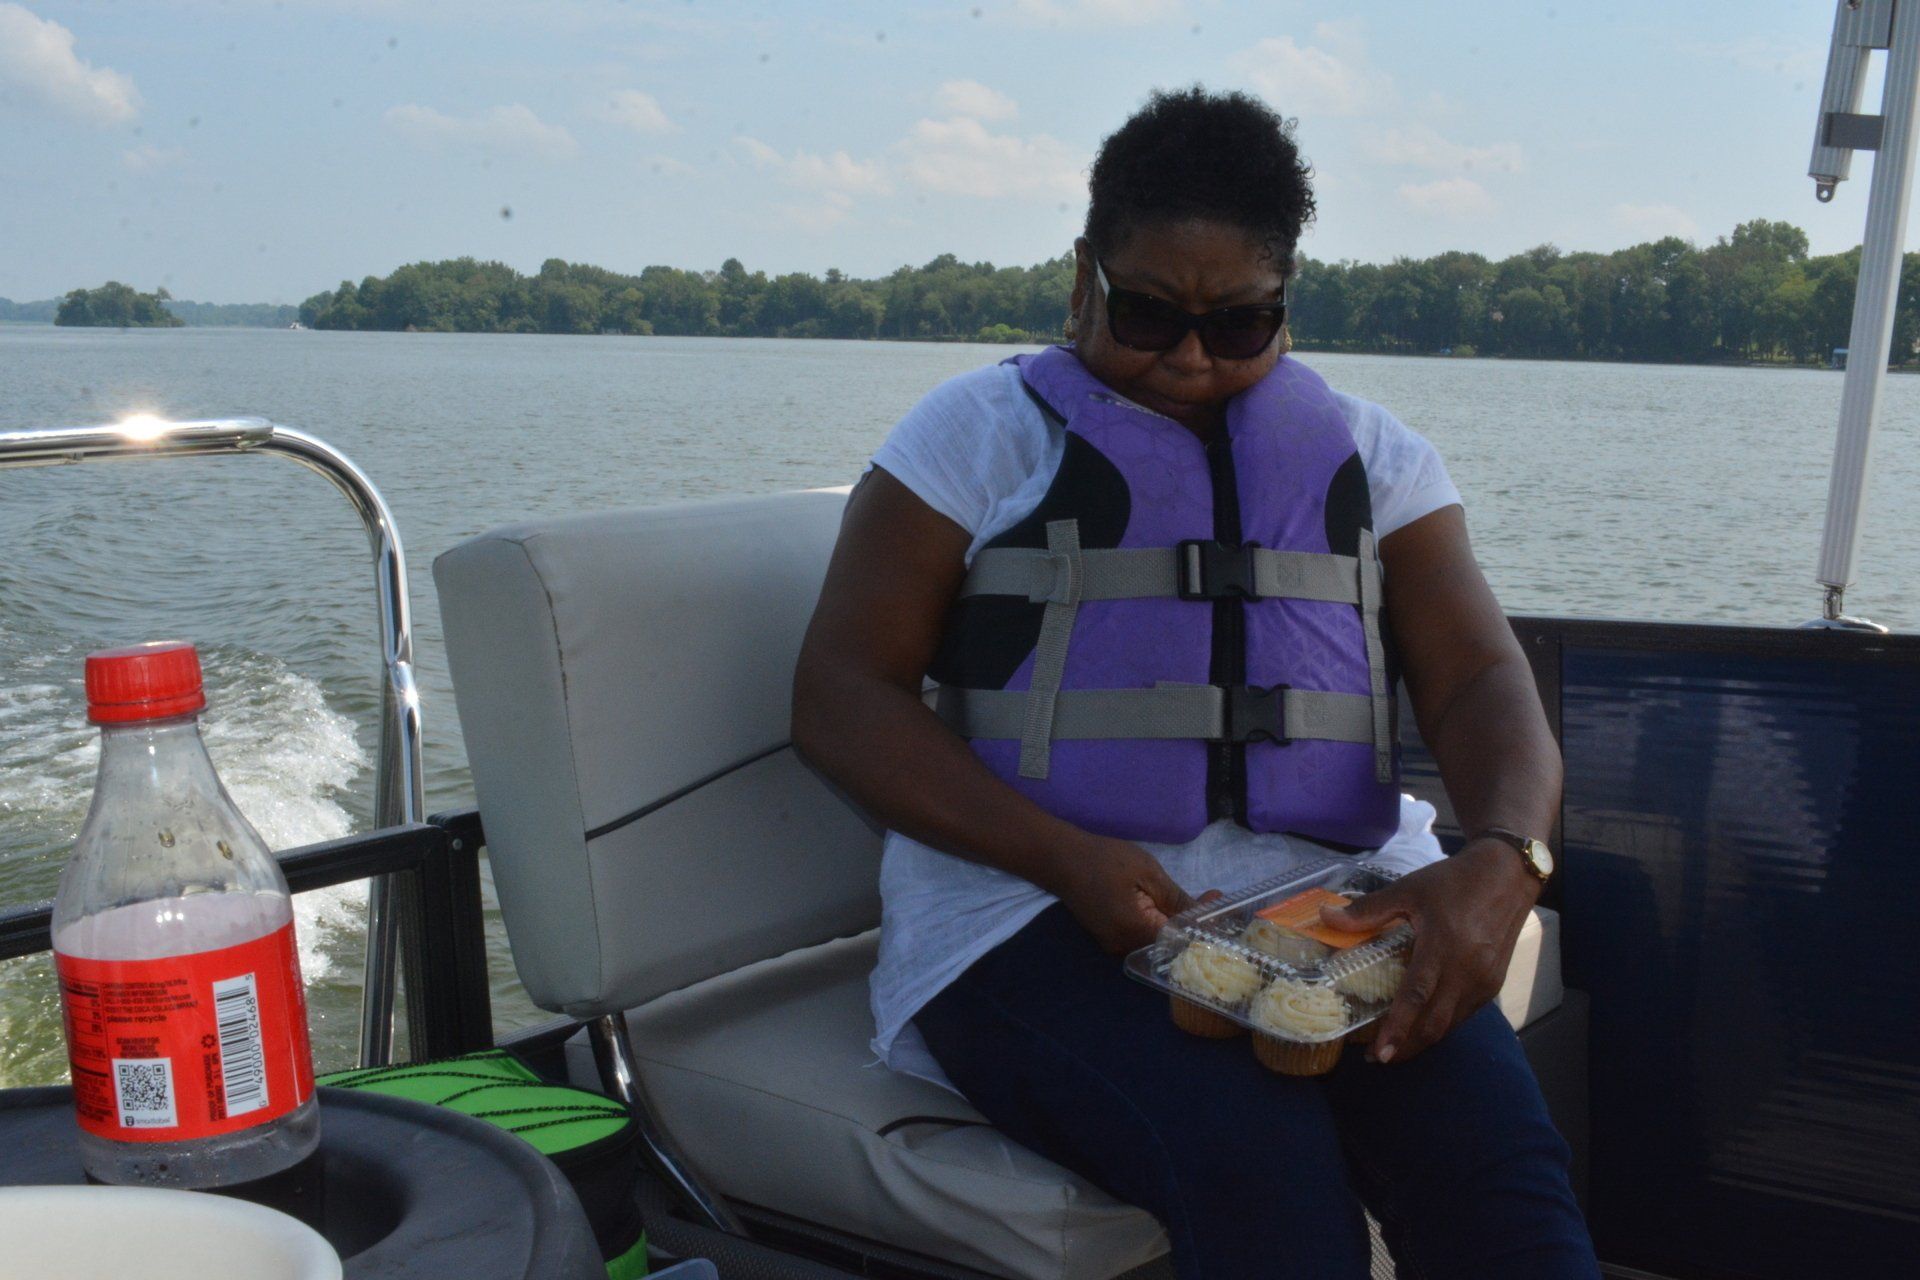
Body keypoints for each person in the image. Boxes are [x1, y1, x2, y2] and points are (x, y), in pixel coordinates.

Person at [792, 87, 1597, 1279]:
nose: (1187, 355)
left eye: (1237, 324)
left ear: (1286, 303)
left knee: (1505, 1189)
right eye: (1149, 312)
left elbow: (1479, 673)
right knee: (1269, 1181)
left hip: (1339, 906)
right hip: (1028, 911)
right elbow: (840, 693)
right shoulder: (976, 435)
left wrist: (1507, 861)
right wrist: (1064, 856)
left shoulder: (1377, 454)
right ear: (1084, 277)